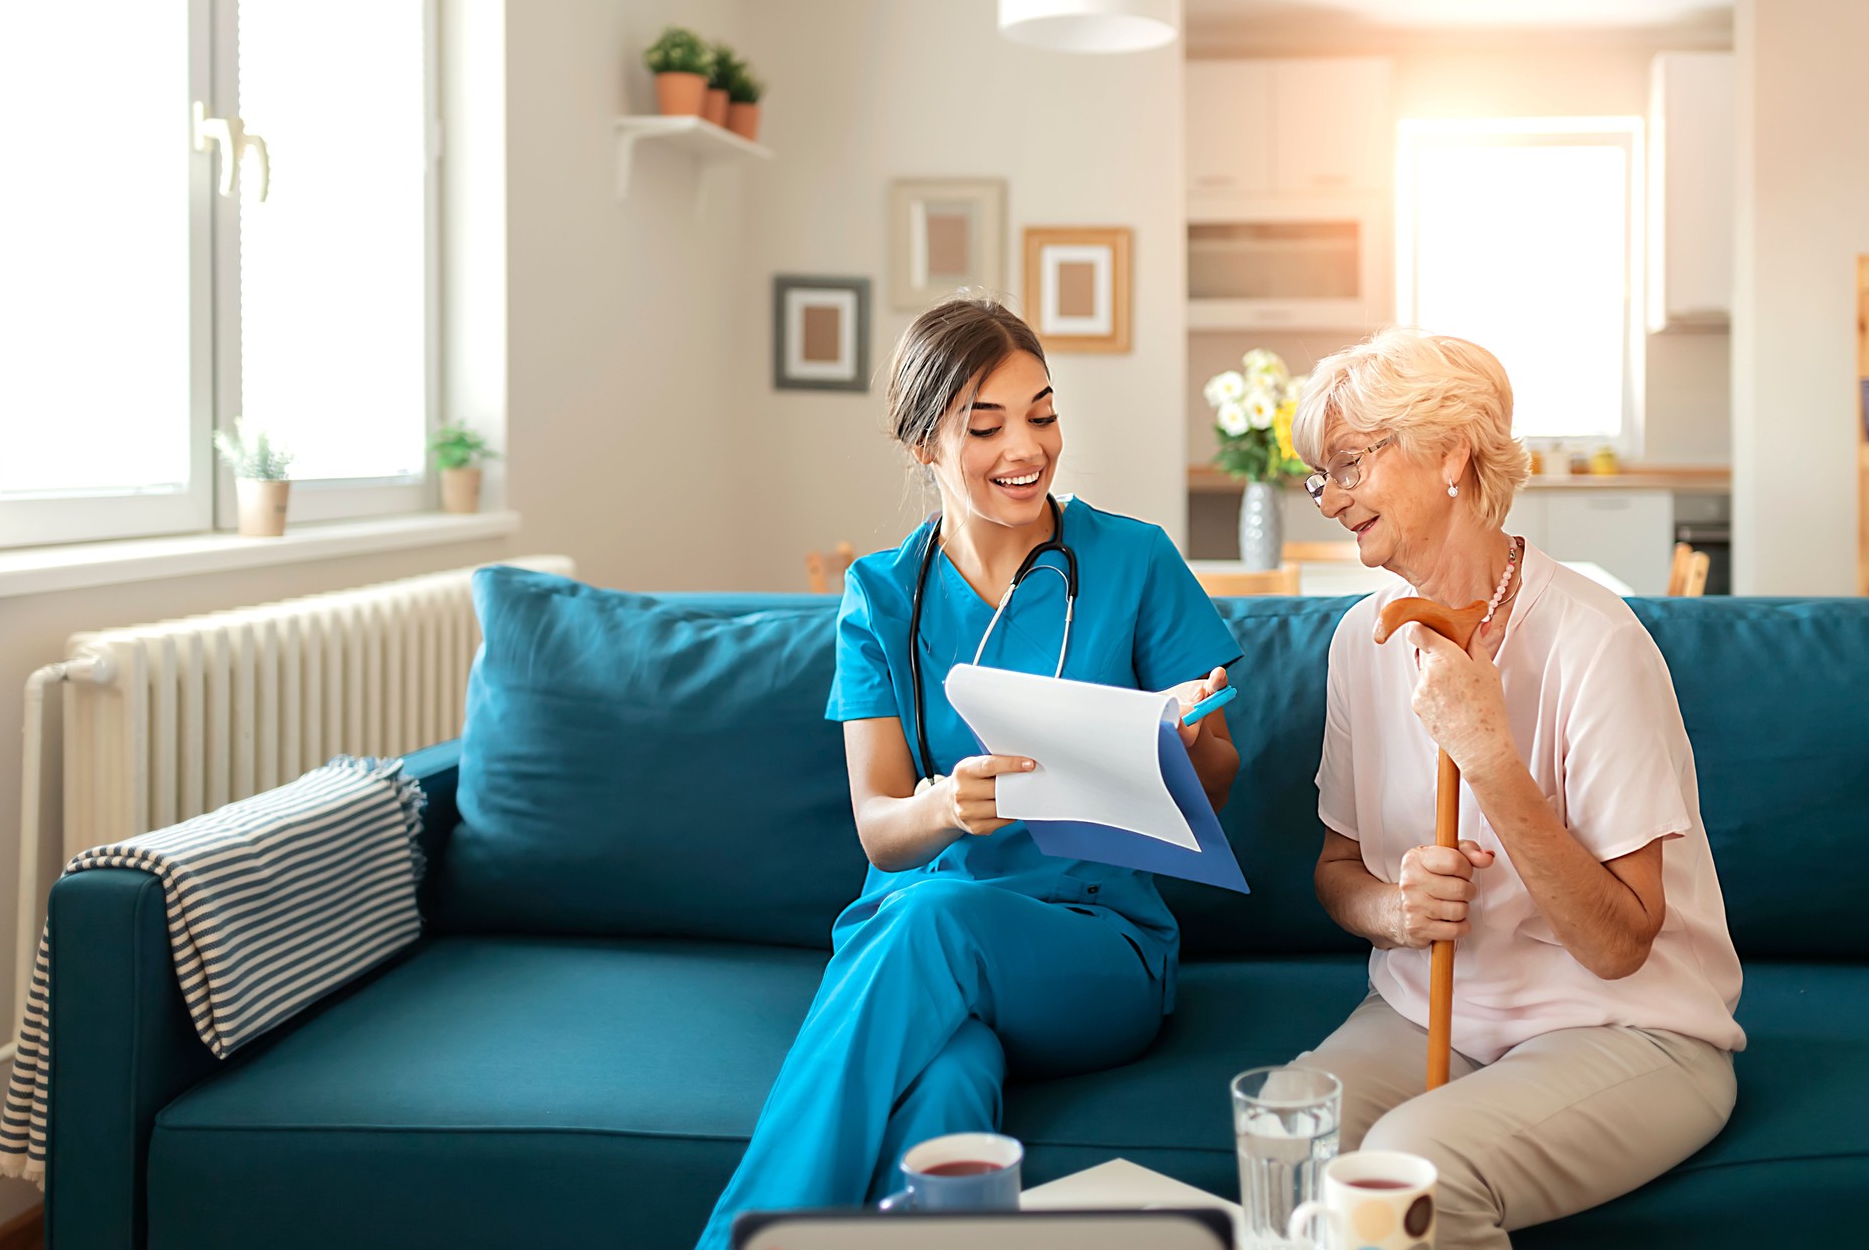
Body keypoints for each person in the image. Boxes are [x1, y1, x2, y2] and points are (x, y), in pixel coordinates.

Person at [695, 295, 1242, 1248]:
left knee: (930, 920)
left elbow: (1220, 779)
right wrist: (947, 806)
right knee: (944, 1086)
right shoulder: (879, 596)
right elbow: (880, 828)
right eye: (984, 426)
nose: (1026, 447)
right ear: (923, 444)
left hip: (1095, 949)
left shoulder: (1135, 560)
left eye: (1042, 412)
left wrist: (1191, 752)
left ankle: (740, 1238)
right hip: (920, 943)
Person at [1284, 328, 1744, 1249]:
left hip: (1627, 1026)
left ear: (1450, 451)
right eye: (1320, 475)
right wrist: (1393, 910)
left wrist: (1487, 754)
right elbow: (1337, 869)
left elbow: (1619, 947)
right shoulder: (1356, 643)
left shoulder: (1593, 643)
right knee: (1290, 1132)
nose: (1331, 499)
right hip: (1429, 1009)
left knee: (1410, 1180)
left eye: (1349, 465)